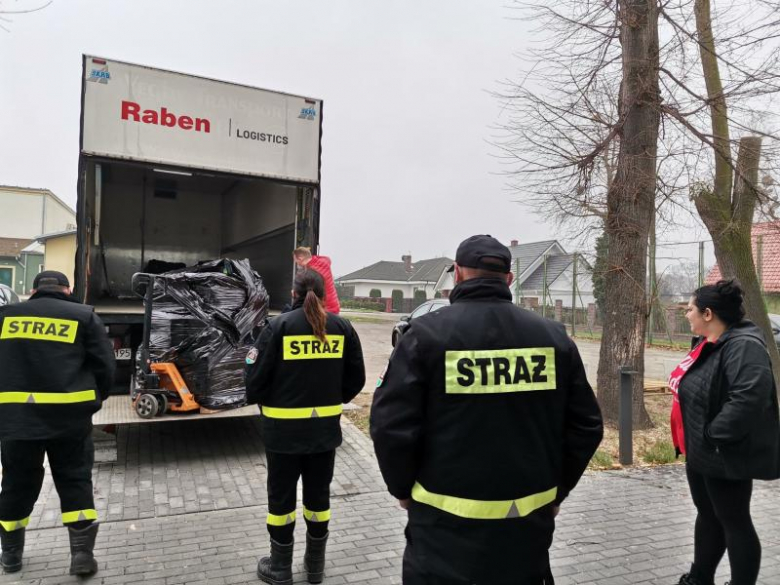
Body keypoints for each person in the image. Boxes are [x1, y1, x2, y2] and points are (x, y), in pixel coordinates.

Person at [370, 234, 604, 585]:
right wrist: (557, 492)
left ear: (458, 275)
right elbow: (586, 426)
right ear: (509, 280)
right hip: (527, 528)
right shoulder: (552, 337)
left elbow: (390, 426)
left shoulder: (424, 336)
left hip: (441, 527)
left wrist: (402, 489)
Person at [245, 269, 365, 585]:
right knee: (318, 499)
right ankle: (315, 567)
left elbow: (254, 382)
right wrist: (329, 399)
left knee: (281, 501)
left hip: (282, 435)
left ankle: (280, 568)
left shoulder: (278, 328)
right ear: (325, 294)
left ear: (294, 293)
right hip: (324, 435)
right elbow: (357, 379)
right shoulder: (342, 328)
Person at [0, 271, 116, 576]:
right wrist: (94, 400)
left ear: (33, 290)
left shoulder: (6, 316)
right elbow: (105, 366)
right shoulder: (82, 316)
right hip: (69, 418)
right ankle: (81, 556)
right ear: (68, 289)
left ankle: (10, 555)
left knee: (16, 482)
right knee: (75, 479)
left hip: (17, 421)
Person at [672, 280, 780, 585]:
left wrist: (712, 434)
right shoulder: (710, 343)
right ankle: (700, 578)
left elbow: (750, 396)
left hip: (724, 452)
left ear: (708, 314)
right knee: (708, 515)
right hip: (702, 451)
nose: (687, 314)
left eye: (690, 309)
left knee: (735, 522)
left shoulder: (743, 345)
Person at [293, 247, 341, 315]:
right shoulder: (321, 262)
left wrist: (295, 292)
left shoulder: (313, 271)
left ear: (300, 258)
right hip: (333, 305)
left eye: (295, 259)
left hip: (325, 308)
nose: (295, 262)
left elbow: (307, 289)